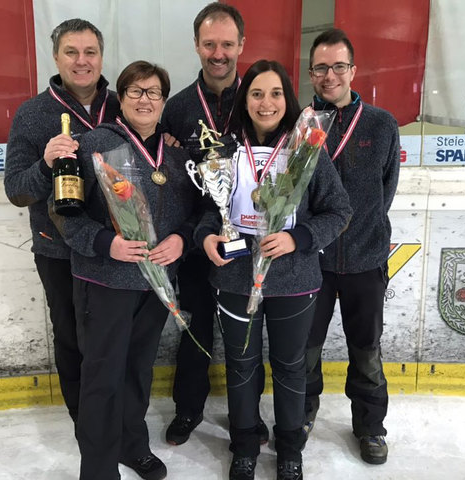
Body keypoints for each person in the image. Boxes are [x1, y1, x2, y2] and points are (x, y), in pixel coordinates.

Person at [195, 60, 352, 480]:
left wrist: (297, 238)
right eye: (257, 93)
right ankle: (244, 445)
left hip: (293, 280)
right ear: (244, 101)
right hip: (234, 278)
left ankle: (289, 450)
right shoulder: (224, 150)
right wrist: (206, 237)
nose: (267, 103)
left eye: (276, 93)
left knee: (289, 366)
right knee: (241, 364)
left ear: (289, 99)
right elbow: (209, 212)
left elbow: (339, 212)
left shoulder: (306, 149)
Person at [51, 60, 198, 480]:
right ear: (121, 98)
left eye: (154, 92)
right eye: (135, 91)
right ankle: (97, 468)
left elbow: (195, 214)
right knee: (101, 377)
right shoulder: (94, 144)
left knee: (137, 372)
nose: (145, 99)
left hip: (154, 287)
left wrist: (182, 239)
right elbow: (63, 213)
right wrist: (106, 243)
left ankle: (133, 445)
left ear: (164, 101)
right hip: (105, 282)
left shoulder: (174, 154)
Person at [161, 1, 271, 447]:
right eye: (210, 44)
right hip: (191, 241)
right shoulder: (179, 108)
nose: (219, 53)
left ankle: (251, 415)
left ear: (242, 45)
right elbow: (160, 173)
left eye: (227, 44)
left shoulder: (262, 100)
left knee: (250, 331)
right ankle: (188, 409)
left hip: (249, 241)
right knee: (194, 328)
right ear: (197, 46)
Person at [4, 18, 119, 424]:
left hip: (114, 249)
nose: (82, 61)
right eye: (72, 52)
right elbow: (16, 190)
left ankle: (118, 423)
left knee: (113, 343)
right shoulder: (33, 114)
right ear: (56, 57)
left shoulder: (124, 107)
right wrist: (45, 164)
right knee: (71, 341)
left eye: (90, 52)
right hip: (58, 251)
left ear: (102, 57)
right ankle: (86, 426)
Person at [304, 28, 400, 466]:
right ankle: (302, 415)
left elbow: (386, 190)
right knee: (304, 348)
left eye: (338, 66)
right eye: (321, 67)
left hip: (365, 259)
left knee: (367, 349)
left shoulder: (381, 124)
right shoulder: (302, 123)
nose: (330, 75)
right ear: (311, 73)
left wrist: (365, 235)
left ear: (353, 70)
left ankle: (370, 426)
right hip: (312, 262)